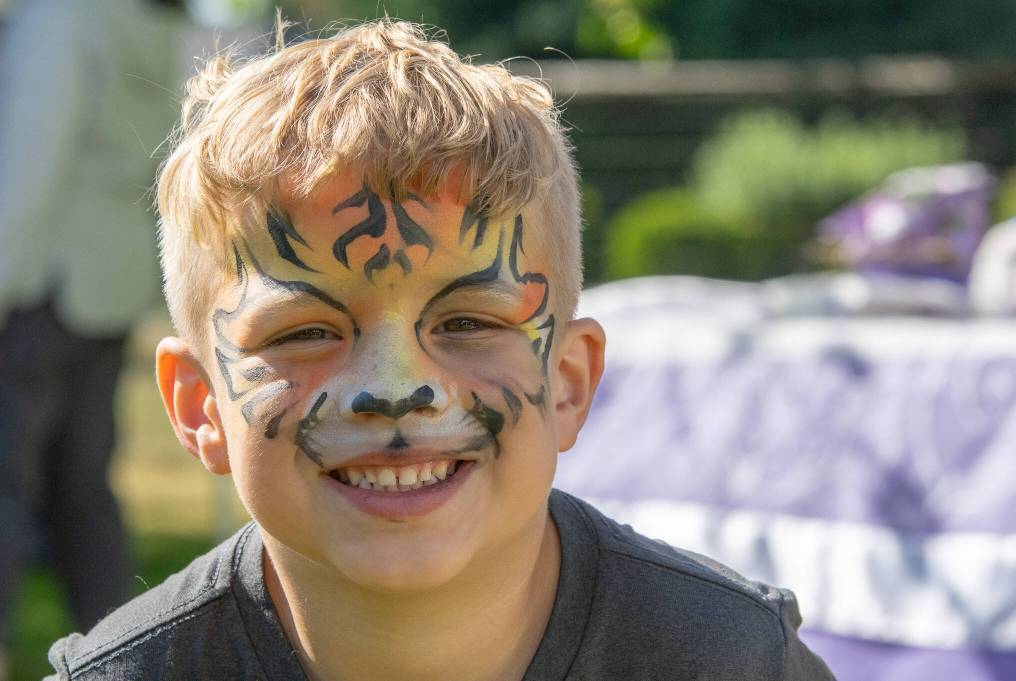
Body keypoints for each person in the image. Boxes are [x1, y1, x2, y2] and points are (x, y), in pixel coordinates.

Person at [46, 19, 835, 680]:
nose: (395, 389)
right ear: (200, 405)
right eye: (305, 332)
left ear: (566, 382)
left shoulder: (730, 659)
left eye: (467, 322)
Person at [0, 0, 184, 675]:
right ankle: (123, 655)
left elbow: (29, 162)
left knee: (6, 487)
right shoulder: (151, 17)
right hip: (107, 281)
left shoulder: (60, 17)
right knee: (84, 493)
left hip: (36, 281)